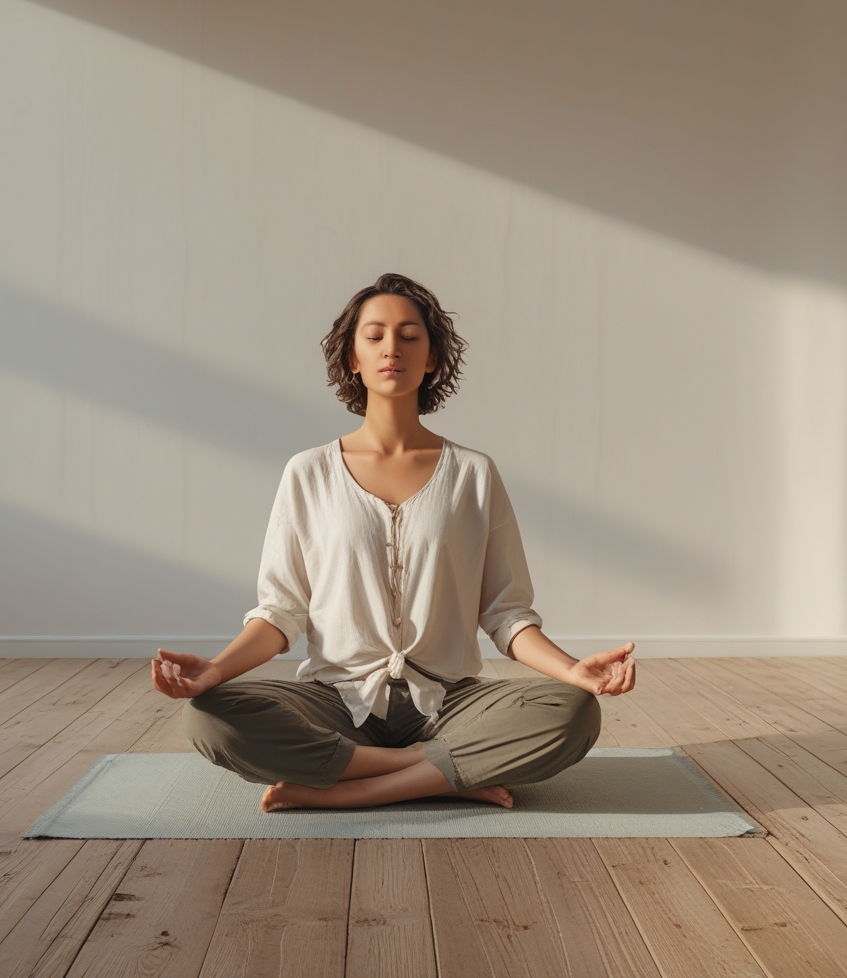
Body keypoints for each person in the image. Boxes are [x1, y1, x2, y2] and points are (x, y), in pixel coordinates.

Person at [152, 273, 636, 812]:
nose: (392, 348)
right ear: (352, 357)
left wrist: (572, 671)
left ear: (432, 359)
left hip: (451, 703)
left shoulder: (473, 474)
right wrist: (215, 670)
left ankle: (352, 788)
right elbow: (280, 612)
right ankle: (440, 773)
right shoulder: (308, 472)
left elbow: (506, 614)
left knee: (573, 711)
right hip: (334, 701)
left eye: (409, 336)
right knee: (208, 718)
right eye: (375, 335)